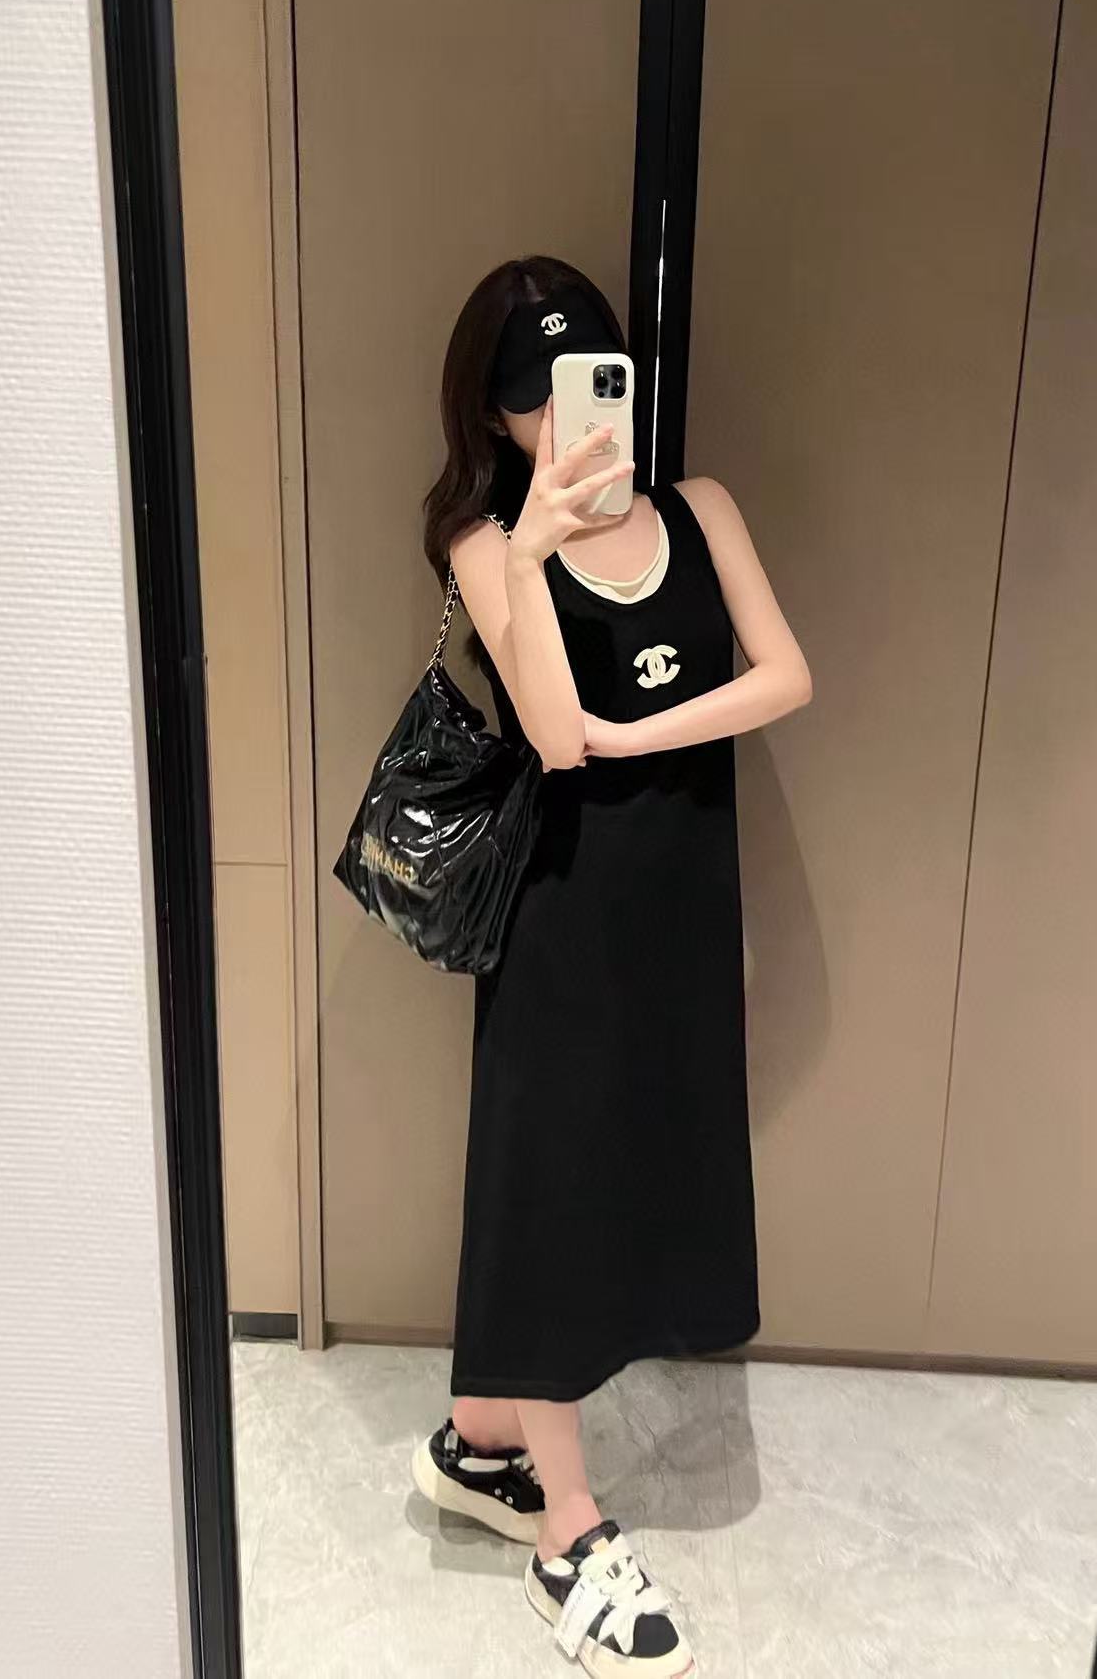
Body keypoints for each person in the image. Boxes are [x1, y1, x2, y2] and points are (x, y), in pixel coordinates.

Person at [409, 256, 812, 1676]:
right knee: (556, 1194)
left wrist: (645, 734)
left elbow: (786, 675)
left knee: (641, 1167)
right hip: (561, 919)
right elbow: (553, 734)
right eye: (529, 399)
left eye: (583, 383)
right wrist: (530, 553)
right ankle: (566, 1534)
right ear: (494, 413)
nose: (559, 420)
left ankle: (479, 1439)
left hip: (681, 912)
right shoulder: (483, 545)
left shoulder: (701, 511)